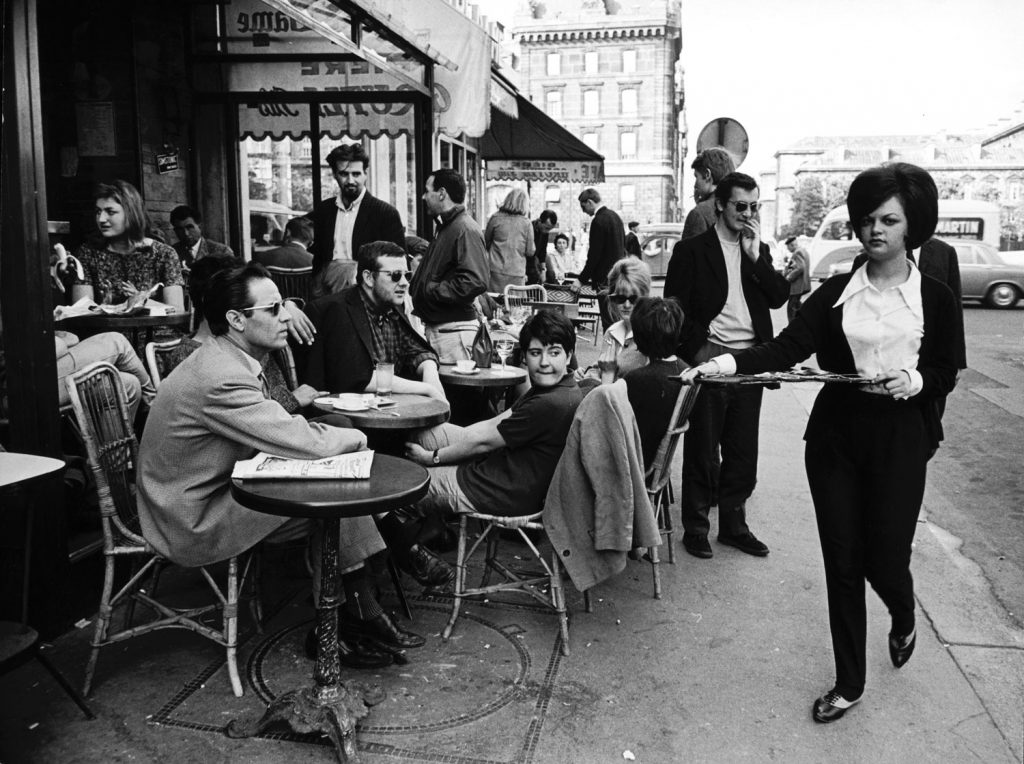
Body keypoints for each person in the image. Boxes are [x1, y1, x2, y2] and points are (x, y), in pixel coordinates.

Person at [680, 163, 959, 724]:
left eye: (889, 220)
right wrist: (723, 364)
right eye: (866, 219)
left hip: (900, 440)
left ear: (912, 226)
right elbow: (783, 348)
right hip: (835, 439)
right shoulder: (836, 293)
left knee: (886, 559)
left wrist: (919, 381)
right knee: (842, 561)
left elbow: (945, 368)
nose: (874, 230)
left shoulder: (935, 295)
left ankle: (903, 615)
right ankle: (849, 682)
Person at [137, 262, 425, 668]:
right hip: (191, 516)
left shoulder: (228, 359)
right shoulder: (221, 376)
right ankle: (358, 608)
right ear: (236, 320)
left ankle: (350, 616)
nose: (286, 316)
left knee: (332, 492)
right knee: (333, 485)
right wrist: (358, 437)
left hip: (217, 488)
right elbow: (302, 440)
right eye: (273, 309)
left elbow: (284, 431)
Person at [663, 171, 790, 561]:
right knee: (703, 449)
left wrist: (754, 258)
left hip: (749, 361)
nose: (747, 214)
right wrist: (698, 352)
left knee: (742, 452)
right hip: (711, 358)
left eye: (754, 207)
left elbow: (778, 296)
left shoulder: (757, 249)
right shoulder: (693, 250)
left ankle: (735, 527)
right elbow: (675, 308)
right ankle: (697, 528)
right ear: (720, 204)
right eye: (740, 206)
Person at [402, 310, 583, 519]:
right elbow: (492, 425)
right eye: (535, 353)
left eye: (554, 353)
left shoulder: (550, 403)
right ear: (524, 356)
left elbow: (483, 444)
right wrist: (445, 443)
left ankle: (408, 543)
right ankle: (435, 527)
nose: (544, 362)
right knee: (424, 435)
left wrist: (432, 458)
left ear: (569, 356)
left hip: (497, 492)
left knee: (406, 484)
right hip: (498, 475)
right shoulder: (557, 388)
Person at [300, 241, 445, 402]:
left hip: (391, 412)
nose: (404, 282)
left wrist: (430, 374)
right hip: (350, 419)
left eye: (407, 275)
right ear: (368, 278)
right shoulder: (338, 309)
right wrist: (426, 389)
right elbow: (356, 376)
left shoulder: (390, 308)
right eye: (395, 275)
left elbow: (417, 350)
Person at [409, 168, 489, 364]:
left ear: (442, 193)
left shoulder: (463, 228)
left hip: (453, 334)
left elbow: (474, 281)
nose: (423, 196)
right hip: (446, 331)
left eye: (428, 191)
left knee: (459, 394)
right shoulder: (449, 227)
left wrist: (430, 290)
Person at [70, 180, 186, 312]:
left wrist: (143, 302)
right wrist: (102, 307)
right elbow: (79, 311)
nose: (101, 219)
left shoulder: (164, 254)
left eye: (110, 212)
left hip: (157, 331)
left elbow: (177, 310)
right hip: (108, 331)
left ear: (131, 213)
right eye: (98, 212)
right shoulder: (88, 253)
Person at [305, 143, 404, 295]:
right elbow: (319, 258)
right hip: (327, 293)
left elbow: (398, 264)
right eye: (344, 174)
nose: (350, 180)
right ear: (334, 174)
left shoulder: (385, 214)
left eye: (356, 174)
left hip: (367, 294)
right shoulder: (324, 210)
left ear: (366, 173)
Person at [623, 297, 687, 468]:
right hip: (656, 462)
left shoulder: (638, 379)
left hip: (634, 465)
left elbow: (613, 423)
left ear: (639, 337)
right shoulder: (685, 370)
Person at [54, 331, 156, 421]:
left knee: (128, 384)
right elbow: (58, 347)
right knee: (118, 341)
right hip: (45, 379)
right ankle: (154, 407)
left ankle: (123, 442)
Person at [590, 257, 652, 382]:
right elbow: (601, 367)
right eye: (620, 299)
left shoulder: (651, 334)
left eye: (634, 299)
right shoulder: (612, 332)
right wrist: (589, 372)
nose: (627, 305)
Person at [485, 189, 535, 292]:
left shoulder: (495, 218)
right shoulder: (526, 223)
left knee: (494, 303)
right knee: (515, 304)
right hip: (516, 272)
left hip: (495, 270)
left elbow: (486, 242)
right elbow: (530, 251)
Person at [681, 148, 736, 241]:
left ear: (707, 175)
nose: (695, 185)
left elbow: (688, 255)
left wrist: (701, 207)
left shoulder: (699, 214)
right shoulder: (747, 210)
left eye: (696, 177)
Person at [577, 187, 625, 291]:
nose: (583, 211)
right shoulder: (615, 216)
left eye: (583, 207)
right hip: (619, 276)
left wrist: (581, 279)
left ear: (589, 202)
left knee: (605, 307)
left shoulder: (598, 221)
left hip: (603, 279)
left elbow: (594, 254)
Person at [169, 204, 235, 270]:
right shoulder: (171, 253)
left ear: (200, 227)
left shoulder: (222, 251)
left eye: (190, 227)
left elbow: (231, 278)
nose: (186, 233)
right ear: (175, 231)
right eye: (180, 229)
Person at [784, 236, 812, 322]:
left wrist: (788, 277)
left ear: (792, 245)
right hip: (802, 285)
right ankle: (806, 322)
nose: (787, 249)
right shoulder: (803, 251)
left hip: (797, 287)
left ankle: (792, 328)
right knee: (798, 307)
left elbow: (800, 268)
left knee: (791, 308)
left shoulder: (797, 253)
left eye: (788, 247)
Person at [529, 209, 557, 284]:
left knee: (551, 274)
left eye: (550, 229)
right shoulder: (529, 228)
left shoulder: (544, 232)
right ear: (540, 221)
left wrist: (543, 270)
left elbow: (543, 251)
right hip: (529, 258)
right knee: (536, 273)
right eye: (547, 228)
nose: (547, 231)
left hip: (538, 256)